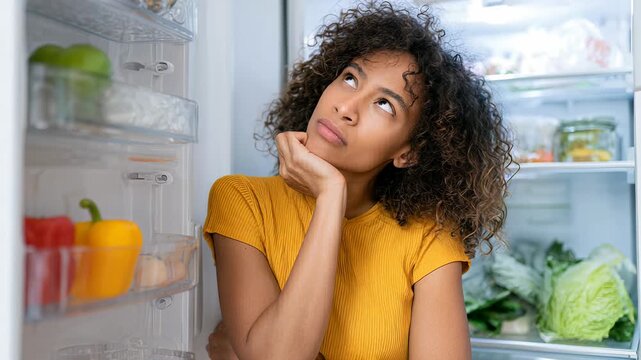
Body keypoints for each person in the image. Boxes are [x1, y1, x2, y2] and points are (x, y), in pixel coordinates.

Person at [204, 1, 512, 359]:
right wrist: (330, 198)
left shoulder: (429, 237)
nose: (346, 108)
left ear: (408, 153)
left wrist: (330, 196)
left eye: (384, 105)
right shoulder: (242, 200)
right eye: (350, 78)